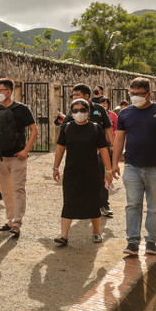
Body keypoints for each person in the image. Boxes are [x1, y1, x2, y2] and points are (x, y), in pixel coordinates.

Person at [113, 77, 156, 257]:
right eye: (132, 94)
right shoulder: (125, 114)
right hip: (132, 166)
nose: (135, 97)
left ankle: (151, 241)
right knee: (133, 204)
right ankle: (132, 242)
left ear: (149, 94)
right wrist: (114, 164)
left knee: (155, 207)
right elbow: (119, 139)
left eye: (139, 94)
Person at [52, 98, 112, 246]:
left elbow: (103, 151)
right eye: (75, 110)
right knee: (69, 201)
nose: (79, 113)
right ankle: (64, 235)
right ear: (71, 112)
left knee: (93, 201)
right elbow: (60, 149)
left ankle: (96, 232)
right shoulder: (66, 128)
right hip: (72, 172)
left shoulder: (95, 128)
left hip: (91, 171)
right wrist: (55, 167)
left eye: (82, 110)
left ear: (88, 112)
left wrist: (108, 171)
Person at [58, 84, 115, 219]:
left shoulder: (99, 109)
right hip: (81, 151)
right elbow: (65, 127)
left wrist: (112, 145)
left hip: (99, 149)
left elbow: (108, 127)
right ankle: (84, 206)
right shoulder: (75, 109)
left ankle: (103, 204)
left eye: (77, 95)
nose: (74, 97)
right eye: (74, 95)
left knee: (102, 176)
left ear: (87, 96)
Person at [0, 79, 38, 239]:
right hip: (1, 158)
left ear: (9, 91)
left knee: (18, 190)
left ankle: (17, 223)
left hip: (18, 157)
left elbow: (34, 130)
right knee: (6, 191)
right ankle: (10, 220)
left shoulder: (22, 109)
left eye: (0, 90)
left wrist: (26, 150)